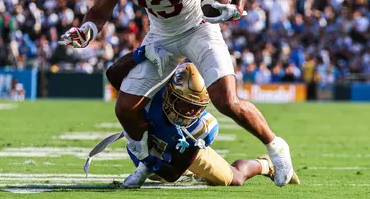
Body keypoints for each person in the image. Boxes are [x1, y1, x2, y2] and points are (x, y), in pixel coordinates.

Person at [59, 0, 294, 186]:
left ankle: (277, 148)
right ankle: (147, 162)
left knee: (226, 100)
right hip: (160, 36)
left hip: (198, 28)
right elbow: (101, 9)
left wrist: (237, 7)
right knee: (124, 108)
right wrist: (88, 29)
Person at [99, 48, 299, 188]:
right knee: (132, 115)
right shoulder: (153, 95)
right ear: (169, 92)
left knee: (234, 178)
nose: (188, 113)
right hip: (153, 147)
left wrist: (150, 164)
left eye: (194, 107)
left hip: (177, 154)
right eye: (183, 104)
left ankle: (264, 164)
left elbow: (172, 173)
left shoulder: (201, 128)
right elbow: (114, 76)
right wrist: (140, 54)